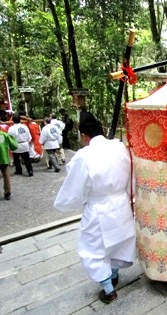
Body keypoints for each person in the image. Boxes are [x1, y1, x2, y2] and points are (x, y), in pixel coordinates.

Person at [54, 111, 136, 304]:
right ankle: (114, 273)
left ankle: (108, 289)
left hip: (99, 207)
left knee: (92, 248)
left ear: (84, 135)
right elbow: (131, 173)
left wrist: (71, 203)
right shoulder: (119, 147)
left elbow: (75, 185)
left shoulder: (84, 156)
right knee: (119, 241)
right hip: (121, 203)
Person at [0, 118, 19, 200]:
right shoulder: (5, 135)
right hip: (4, 157)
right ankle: (7, 192)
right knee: (6, 175)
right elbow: (14, 146)